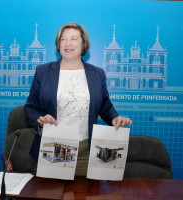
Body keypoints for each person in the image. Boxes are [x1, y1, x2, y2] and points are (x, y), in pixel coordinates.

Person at [24, 22, 132, 176]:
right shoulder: (43, 72)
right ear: (58, 44)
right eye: (63, 39)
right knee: (50, 193)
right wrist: (39, 119)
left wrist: (115, 118)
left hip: (87, 152)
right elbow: (30, 107)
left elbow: (105, 106)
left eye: (74, 39)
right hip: (54, 147)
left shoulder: (97, 74)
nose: (68, 43)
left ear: (83, 44)